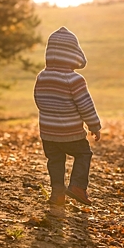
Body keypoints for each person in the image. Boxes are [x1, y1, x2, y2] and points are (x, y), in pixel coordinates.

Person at [34, 26, 101, 206]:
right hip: (70, 132)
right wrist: (94, 126)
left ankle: (57, 194)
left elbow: (38, 100)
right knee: (84, 154)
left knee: (55, 160)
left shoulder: (42, 76)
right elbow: (86, 106)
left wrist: (50, 115)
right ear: (74, 53)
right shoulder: (74, 79)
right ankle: (77, 186)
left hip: (48, 133)